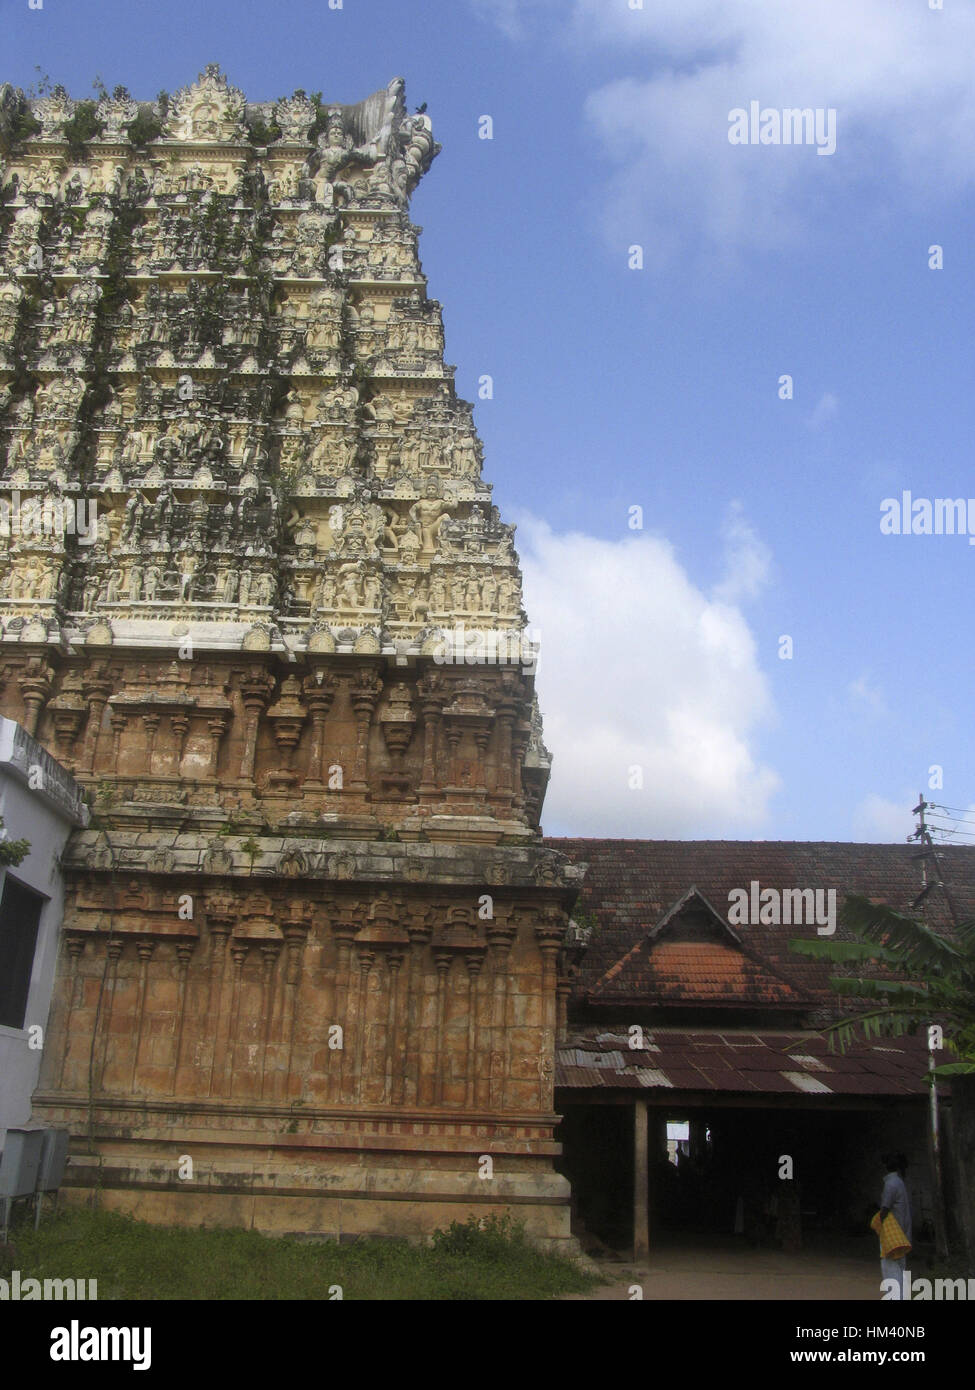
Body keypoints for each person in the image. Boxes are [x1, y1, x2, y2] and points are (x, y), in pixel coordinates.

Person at [878, 1153, 912, 1297]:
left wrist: (877, 1221)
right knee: (900, 1269)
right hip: (902, 1233)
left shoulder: (890, 1184)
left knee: (891, 1271)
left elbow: (884, 1209)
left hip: (893, 1234)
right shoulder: (899, 1182)